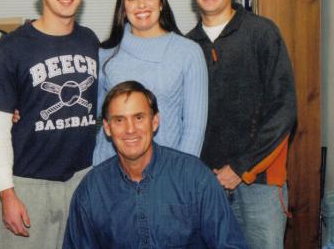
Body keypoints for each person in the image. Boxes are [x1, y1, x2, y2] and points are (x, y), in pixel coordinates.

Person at [0, 0, 99, 249]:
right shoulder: (12, 48)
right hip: (28, 187)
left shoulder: (90, 40)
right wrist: (7, 193)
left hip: (82, 182)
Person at [186, 0, 297, 249]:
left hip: (259, 183)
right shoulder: (185, 46)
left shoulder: (262, 33)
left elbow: (284, 110)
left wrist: (239, 168)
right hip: (206, 185)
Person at [63, 80, 248, 249]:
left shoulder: (195, 178)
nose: (130, 129)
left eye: (139, 118)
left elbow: (230, 244)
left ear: (155, 122)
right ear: (107, 128)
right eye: (119, 120)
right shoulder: (91, 191)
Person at [92, 0, 208, 165]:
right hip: (109, 170)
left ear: (160, 2)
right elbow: (87, 112)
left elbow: (194, 129)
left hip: (167, 172)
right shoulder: (106, 54)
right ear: (123, 8)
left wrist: (180, 176)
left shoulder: (188, 52)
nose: (141, 4)